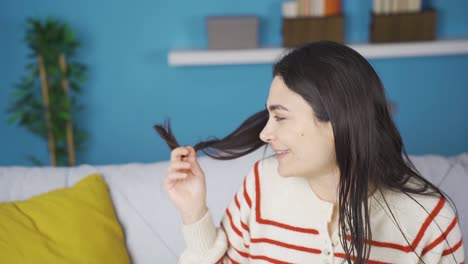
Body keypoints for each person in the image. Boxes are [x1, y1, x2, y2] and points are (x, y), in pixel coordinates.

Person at [155, 41, 465, 263]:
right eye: (268, 116)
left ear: (336, 121)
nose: (265, 133)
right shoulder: (261, 185)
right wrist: (193, 212)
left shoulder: (430, 220)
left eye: (281, 116)